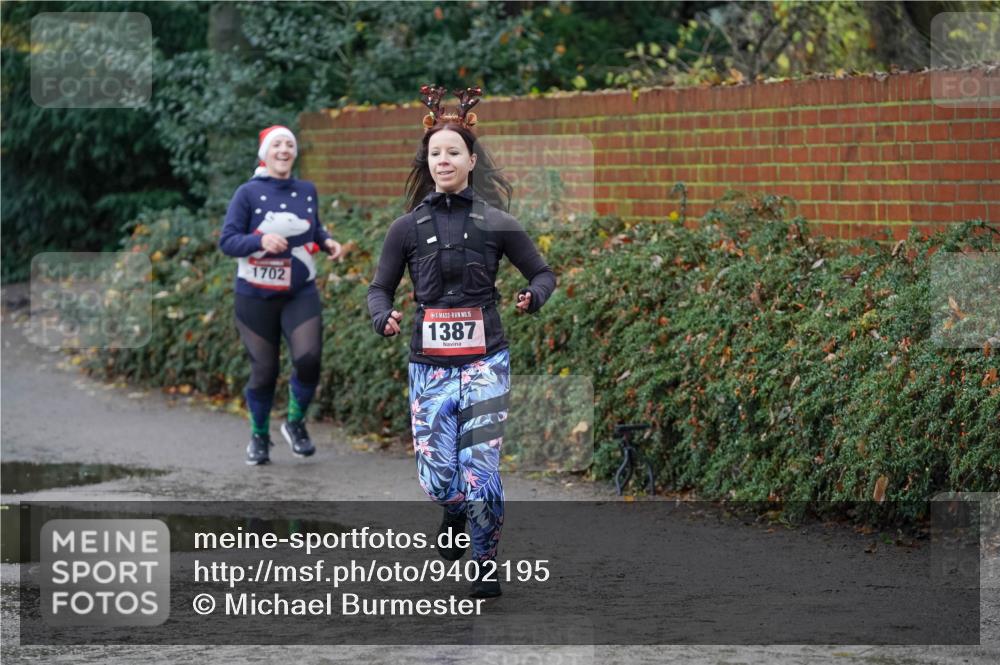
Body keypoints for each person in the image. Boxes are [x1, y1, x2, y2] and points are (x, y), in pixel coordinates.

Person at [367, 86, 556, 598]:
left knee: (482, 465)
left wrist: (531, 298)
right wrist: (381, 316)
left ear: (472, 160)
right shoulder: (404, 228)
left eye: (454, 151)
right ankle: (452, 511)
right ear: (427, 163)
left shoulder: (498, 223)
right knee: (438, 476)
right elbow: (379, 288)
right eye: (435, 153)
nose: (444, 159)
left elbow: (543, 274)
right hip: (428, 366)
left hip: (485, 360)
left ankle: (484, 559)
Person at [219, 125, 342, 465]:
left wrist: (327, 239)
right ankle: (259, 437)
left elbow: (312, 228)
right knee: (264, 370)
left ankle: (295, 422)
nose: (284, 149)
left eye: (290, 144)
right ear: (265, 153)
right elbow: (228, 241)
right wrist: (259, 241)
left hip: (299, 291)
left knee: (308, 359)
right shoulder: (247, 192)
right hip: (255, 295)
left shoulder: (307, 189)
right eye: (277, 145)